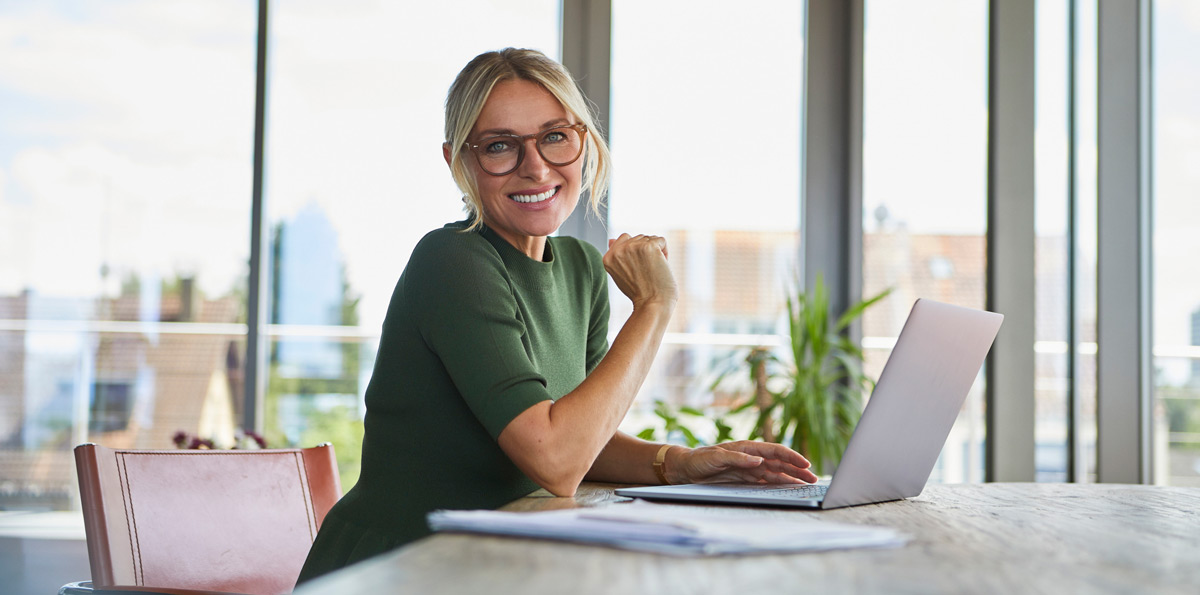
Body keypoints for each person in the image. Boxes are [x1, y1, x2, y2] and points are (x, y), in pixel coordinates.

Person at [296, 48, 819, 582]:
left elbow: (581, 440)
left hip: (501, 559)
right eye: (500, 146)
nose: (536, 166)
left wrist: (684, 464)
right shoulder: (452, 260)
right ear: (459, 162)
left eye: (554, 136)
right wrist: (654, 307)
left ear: (583, 142)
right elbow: (556, 459)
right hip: (403, 567)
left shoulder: (580, 267)